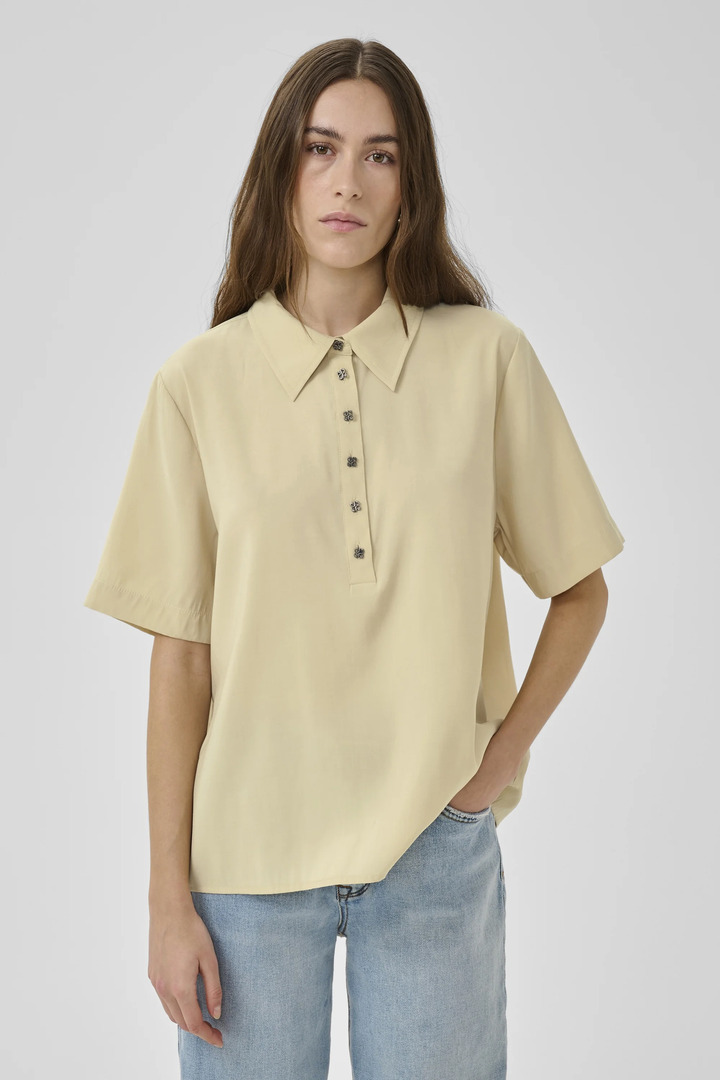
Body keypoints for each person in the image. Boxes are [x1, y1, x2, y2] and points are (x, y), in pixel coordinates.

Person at [83, 37, 625, 1080]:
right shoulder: (196, 386)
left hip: (433, 848)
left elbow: (581, 590)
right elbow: (180, 659)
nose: (347, 182)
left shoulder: (487, 360)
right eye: (320, 148)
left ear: (411, 185)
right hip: (243, 867)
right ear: (279, 169)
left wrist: (489, 772)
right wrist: (165, 901)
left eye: (381, 155)